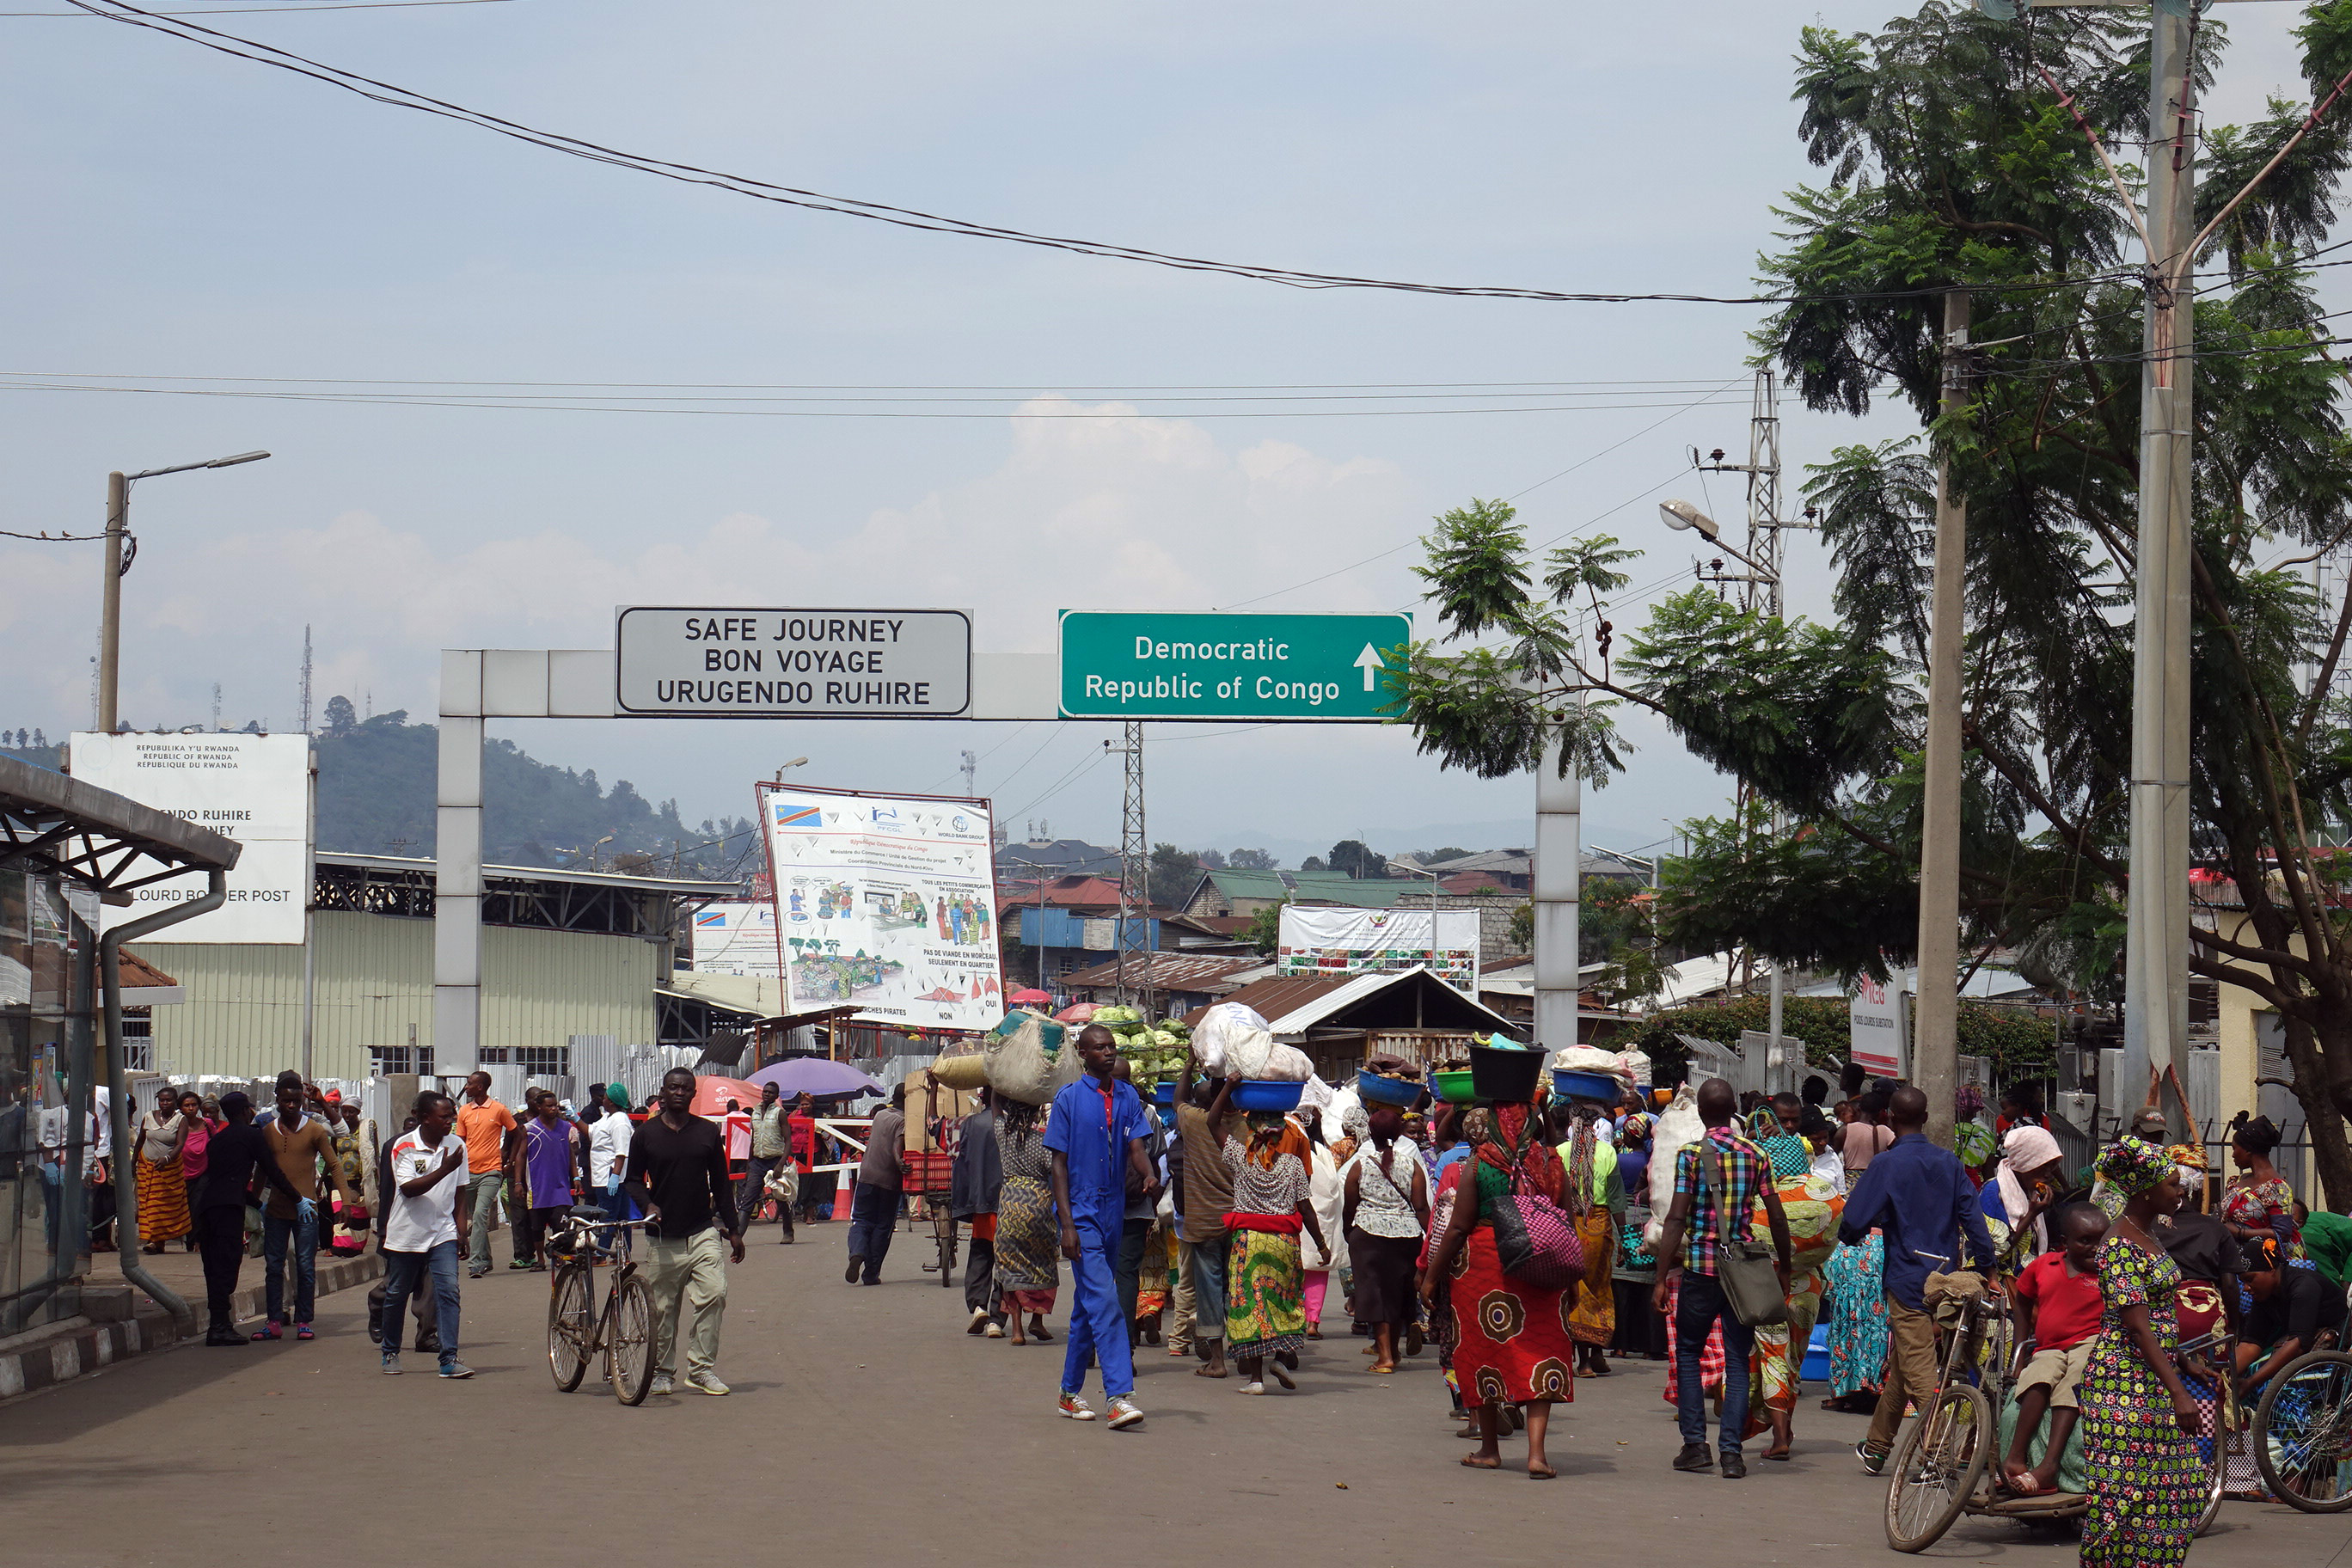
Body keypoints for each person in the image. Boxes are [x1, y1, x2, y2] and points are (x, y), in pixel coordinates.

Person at [1838, 1084, 1997, 1473]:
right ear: (1925, 1118)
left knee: (1921, 1371)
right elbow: (1974, 1223)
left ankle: (1936, 1456)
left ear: (1889, 1118)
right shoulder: (1950, 1163)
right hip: (1947, 1281)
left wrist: (1866, 1226)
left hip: (1908, 1281)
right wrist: (1988, 1268)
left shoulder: (1886, 1165)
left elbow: (1852, 1224)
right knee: (1906, 1363)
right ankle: (1876, 1448)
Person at [1422, 1089, 1575, 1479]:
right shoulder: (1552, 1163)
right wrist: (1574, 1280)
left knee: (1480, 1352)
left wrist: (1431, 1277)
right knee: (1541, 1351)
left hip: (1483, 1269)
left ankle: (1489, 1449)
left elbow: (1457, 1227)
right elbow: (1567, 1223)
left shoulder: (1480, 1163)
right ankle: (1537, 1455)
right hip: (1543, 1266)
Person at [1652, 1078, 1792, 1479]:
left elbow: (1676, 1218)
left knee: (1688, 1354)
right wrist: (1783, 1267)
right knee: (1737, 1360)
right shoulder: (1756, 1153)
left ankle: (1695, 1446)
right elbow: (1777, 1216)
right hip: (1743, 1274)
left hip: (1700, 1269)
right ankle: (1731, 1453)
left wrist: (1661, 1277)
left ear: (1700, 1112)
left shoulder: (1691, 1154)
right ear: (1733, 1110)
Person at [2078, 1138, 2207, 1568]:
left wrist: (2183, 1359)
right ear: (2146, 1191)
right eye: (2173, 1185)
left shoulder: (2148, 1234)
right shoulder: (2118, 1244)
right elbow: (2134, 1324)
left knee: (2180, 1491)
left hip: (2155, 1376)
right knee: (2123, 1500)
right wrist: (2179, 1392)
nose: (2181, 1191)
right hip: (2122, 1386)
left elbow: (2157, 1317)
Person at [1044, 1024, 1156, 1427]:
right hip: (1081, 1212)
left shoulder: (1127, 1096)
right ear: (1084, 1054)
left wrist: (1149, 1174)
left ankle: (1069, 1394)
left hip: (1115, 1211)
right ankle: (1118, 1396)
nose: (1108, 1053)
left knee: (1086, 1306)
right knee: (1106, 1301)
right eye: (1100, 1048)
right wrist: (1068, 1226)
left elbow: (1136, 1147)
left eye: (1112, 1047)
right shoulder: (1069, 1100)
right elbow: (1057, 1164)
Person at [622, 1066, 744, 1397]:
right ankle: (662, 1372)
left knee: (715, 1294)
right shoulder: (645, 1134)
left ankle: (701, 1369)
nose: (678, 1092)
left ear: (693, 1094)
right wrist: (647, 1205)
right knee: (663, 1309)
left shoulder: (706, 1132)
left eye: (685, 1088)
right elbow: (632, 1179)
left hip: (702, 1231)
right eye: (672, 1087)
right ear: (662, 1092)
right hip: (663, 1237)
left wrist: (733, 1229)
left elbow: (720, 1183)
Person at [1210, 1074, 1320, 1400]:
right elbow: (1307, 1209)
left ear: (1251, 1129)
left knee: (1251, 1306)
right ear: (1282, 1132)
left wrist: (1229, 1086)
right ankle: (1283, 1358)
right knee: (1284, 1301)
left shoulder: (1239, 1160)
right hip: (1284, 1244)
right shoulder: (1294, 1166)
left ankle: (1256, 1378)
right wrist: (1324, 1244)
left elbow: (1212, 1122)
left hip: (1249, 1243)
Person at [2000, 1204, 2110, 1495]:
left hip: (2091, 1342)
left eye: (2102, 1240)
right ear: (2066, 1241)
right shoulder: (2044, 1265)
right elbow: (2022, 1299)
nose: (2096, 1248)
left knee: (2074, 1378)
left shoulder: (2112, 1274)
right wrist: (2020, 1351)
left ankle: (2049, 1465)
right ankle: (2014, 1458)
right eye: (2085, 1241)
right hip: (2049, 1347)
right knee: (2039, 1375)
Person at [253, 1070, 361, 1341]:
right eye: (286, 1100)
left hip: (307, 1210)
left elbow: (334, 1165)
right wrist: (252, 1204)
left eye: (296, 1100)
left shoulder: (313, 1129)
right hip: (277, 1209)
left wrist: (345, 1202)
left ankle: (304, 1320)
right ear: (277, 1099)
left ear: (302, 1100)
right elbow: (261, 1172)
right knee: (274, 1265)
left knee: (305, 1264)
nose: (291, 1105)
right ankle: (274, 1320)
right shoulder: (268, 1130)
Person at [192, 1092, 303, 1344]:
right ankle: (220, 1327)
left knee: (213, 1266)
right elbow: (272, 1170)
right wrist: (297, 1198)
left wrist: (256, 1202)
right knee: (228, 1265)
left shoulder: (217, 1140)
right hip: (227, 1209)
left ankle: (218, 1325)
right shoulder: (252, 1135)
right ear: (244, 1111)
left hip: (207, 1206)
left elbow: (224, 1178)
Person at [377, 1089, 474, 1378]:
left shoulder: (457, 1146)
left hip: (442, 1233)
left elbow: (460, 1193)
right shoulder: (403, 1146)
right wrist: (445, 1168)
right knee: (396, 1293)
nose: (450, 1121)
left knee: (448, 1292)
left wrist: (461, 1230)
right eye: (444, 1117)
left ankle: (449, 1359)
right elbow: (409, 1189)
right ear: (424, 1118)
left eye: (451, 1116)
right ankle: (390, 1350)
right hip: (407, 1233)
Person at [1344, 1099, 1428, 1375]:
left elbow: (1350, 1205)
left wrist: (1349, 1233)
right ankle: (1394, 1352)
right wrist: (1429, 1240)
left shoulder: (1360, 1166)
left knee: (1374, 1294)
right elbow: (1421, 1206)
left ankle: (1385, 1358)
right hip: (1407, 1237)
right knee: (1399, 1294)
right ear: (1400, 1133)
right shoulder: (1412, 1165)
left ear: (1371, 1133)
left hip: (1368, 1236)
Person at [1176, 1067, 1237, 1378]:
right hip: (1239, 1221)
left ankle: (1217, 1360)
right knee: (1237, 1286)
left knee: (1210, 1289)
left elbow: (1177, 1098)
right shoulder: (1248, 1126)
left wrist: (1188, 1064)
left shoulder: (1194, 1121)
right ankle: (1244, 1348)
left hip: (1203, 1222)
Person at [2234, 1234, 2347, 1400]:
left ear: (2272, 1269)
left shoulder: (2303, 1287)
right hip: (2312, 1346)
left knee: (2276, 1388)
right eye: (2243, 1282)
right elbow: (2251, 1342)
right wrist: (2223, 1376)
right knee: (2253, 1371)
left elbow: (2298, 1343)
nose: (2245, 1288)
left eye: (2250, 1280)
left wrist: (2251, 1382)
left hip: (2339, 1350)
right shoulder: (2264, 1296)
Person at [1559, 1098, 1624, 1377]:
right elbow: (1617, 1200)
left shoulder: (1560, 1152)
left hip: (1568, 1226)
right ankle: (1596, 1354)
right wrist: (1626, 1238)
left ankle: (1586, 1360)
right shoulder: (1608, 1152)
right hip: (1599, 1227)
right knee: (1599, 1288)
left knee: (1575, 1291)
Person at [993, 1093, 1060, 1344]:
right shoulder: (1044, 1141)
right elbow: (1055, 1168)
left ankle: (1017, 1331)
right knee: (1042, 1263)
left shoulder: (1002, 1134)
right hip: (1039, 1205)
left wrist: (997, 1087)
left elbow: (995, 1108)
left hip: (1010, 1205)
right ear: (1035, 1115)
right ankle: (1038, 1321)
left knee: (1010, 1266)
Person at [455, 1072, 520, 1279]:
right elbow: (460, 1141)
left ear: (481, 1087)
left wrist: (508, 1159)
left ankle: (475, 1264)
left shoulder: (499, 1109)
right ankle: (486, 1260)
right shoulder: (464, 1111)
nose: (466, 1087)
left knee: (479, 1215)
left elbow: (517, 1133)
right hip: (469, 1172)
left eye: (470, 1084)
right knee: (477, 1217)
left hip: (491, 1171)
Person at [951, 1087, 1005, 1336]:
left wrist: (964, 1202)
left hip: (982, 1202)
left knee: (981, 1254)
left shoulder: (971, 1124)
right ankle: (997, 1318)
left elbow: (962, 1162)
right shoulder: (1012, 1124)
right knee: (1007, 1261)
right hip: (1010, 1203)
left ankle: (978, 1306)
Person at [509, 1088, 582, 1271]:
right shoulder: (529, 1129)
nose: (553, 1109)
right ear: (539, 1107)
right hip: (537, 1187)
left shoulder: (565, 1127)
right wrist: (518, 1182)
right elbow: (521, 1156)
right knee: (537, 1227)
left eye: (555, 1105)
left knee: (560, 1223)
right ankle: (540, 1260)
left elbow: (570, 1154)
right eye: (549, 1106)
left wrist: (575, 1176)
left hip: (560, 1187)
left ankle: (558, 1256)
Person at [1981, 1123, 2068, 1262]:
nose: (2049, 1175)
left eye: (2052, 1167)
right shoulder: (1994, 1192)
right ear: (2025, 1162)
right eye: (2043, 1166)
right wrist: (2032, 1214)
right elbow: (1997, 1249)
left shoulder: (2031, 1192)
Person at [846, 1083, 905, 1285]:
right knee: (883, 1226)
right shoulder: (904, 1121)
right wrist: (900, 1162)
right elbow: (898, 1146)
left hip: (867, 1175)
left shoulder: (880, 1115)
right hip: (889, 1181)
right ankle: (870, 1274)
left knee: (861, 1220)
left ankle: (857, 1252)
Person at [2220, 1117, 2303, 1259]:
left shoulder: (2276, 1187)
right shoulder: (2237, 1182)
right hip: (2232, 1258)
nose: (2233, 1155)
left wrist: (2240, 1233)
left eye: (2235, 1148)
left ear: (2248, 1150)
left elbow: (2282, 1234)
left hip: (2265, 1264)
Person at [1300, 1106, 1348, 1342]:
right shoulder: (1324, 1153)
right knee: (1317, 1273)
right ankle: (1312, 1322)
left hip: (1301, 1220)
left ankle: (1296, 1319)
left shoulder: (1293, 1151)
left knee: (1295, 1272)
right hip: (1321, 1222)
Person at [131, 1084, 190, 1254]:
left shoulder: (180, 1120)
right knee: (147, 1205)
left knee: (161, 1206)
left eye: (168, 1100)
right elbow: (141, 1140)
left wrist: (167, 1158)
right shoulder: (148, 1117)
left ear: (175, 1102)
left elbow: (180, 1144)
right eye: (162, 1100)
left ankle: (156, 1240)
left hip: (168, 1171)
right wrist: (133, 1161)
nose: (164, 1103)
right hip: (146, 1168)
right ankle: (155, 1240)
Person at [587, 1081, 637, 1246]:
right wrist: (574, 1117)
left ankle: (602, 1251)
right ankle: (625, 1251)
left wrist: (614, 1175)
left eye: (606, 1097)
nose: (603, 1099)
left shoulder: (620, 1121)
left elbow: (621, 1152)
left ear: (612, 1101)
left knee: (608, 1215)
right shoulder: (607, 1118)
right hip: (604, 1174)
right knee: (622, 1216)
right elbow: (590, 1131)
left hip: (609, 1175)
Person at [743, 1082, 793, 1241]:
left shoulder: (780, 1113)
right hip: (757, 1162)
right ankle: (737, 1234)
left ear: (776, 1095)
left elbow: (788, 1141)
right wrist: (749, 1163)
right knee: (748, 1198)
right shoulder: (755, 1112)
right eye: (765, 1091)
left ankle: (788, 1232)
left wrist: (780, 1164)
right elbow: (754, 1138)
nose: (766, 1094)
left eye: (771, 1093)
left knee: (781, 1198)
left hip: (775, 1160)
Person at [176, 1087, 215, 1253]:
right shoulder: (176, 1125)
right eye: (186, 1105)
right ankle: (189, 1240)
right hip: (181, 1173)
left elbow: (216, 1144)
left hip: (203, 1172)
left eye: (194, 1105)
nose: (190, 1108)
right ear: (181, 1108)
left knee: (199, 1206)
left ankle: (198, 1241)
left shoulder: (207, 1124)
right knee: (185, 1208)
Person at [1836, 1088, 1896, 1179]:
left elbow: (1832, 1155)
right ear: (1880, 1113)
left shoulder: (1845, 1130)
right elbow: (1900, 1152)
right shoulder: (1885, 1131)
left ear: (1859, 1109)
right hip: (1874, 1180)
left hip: (1850, 1184)